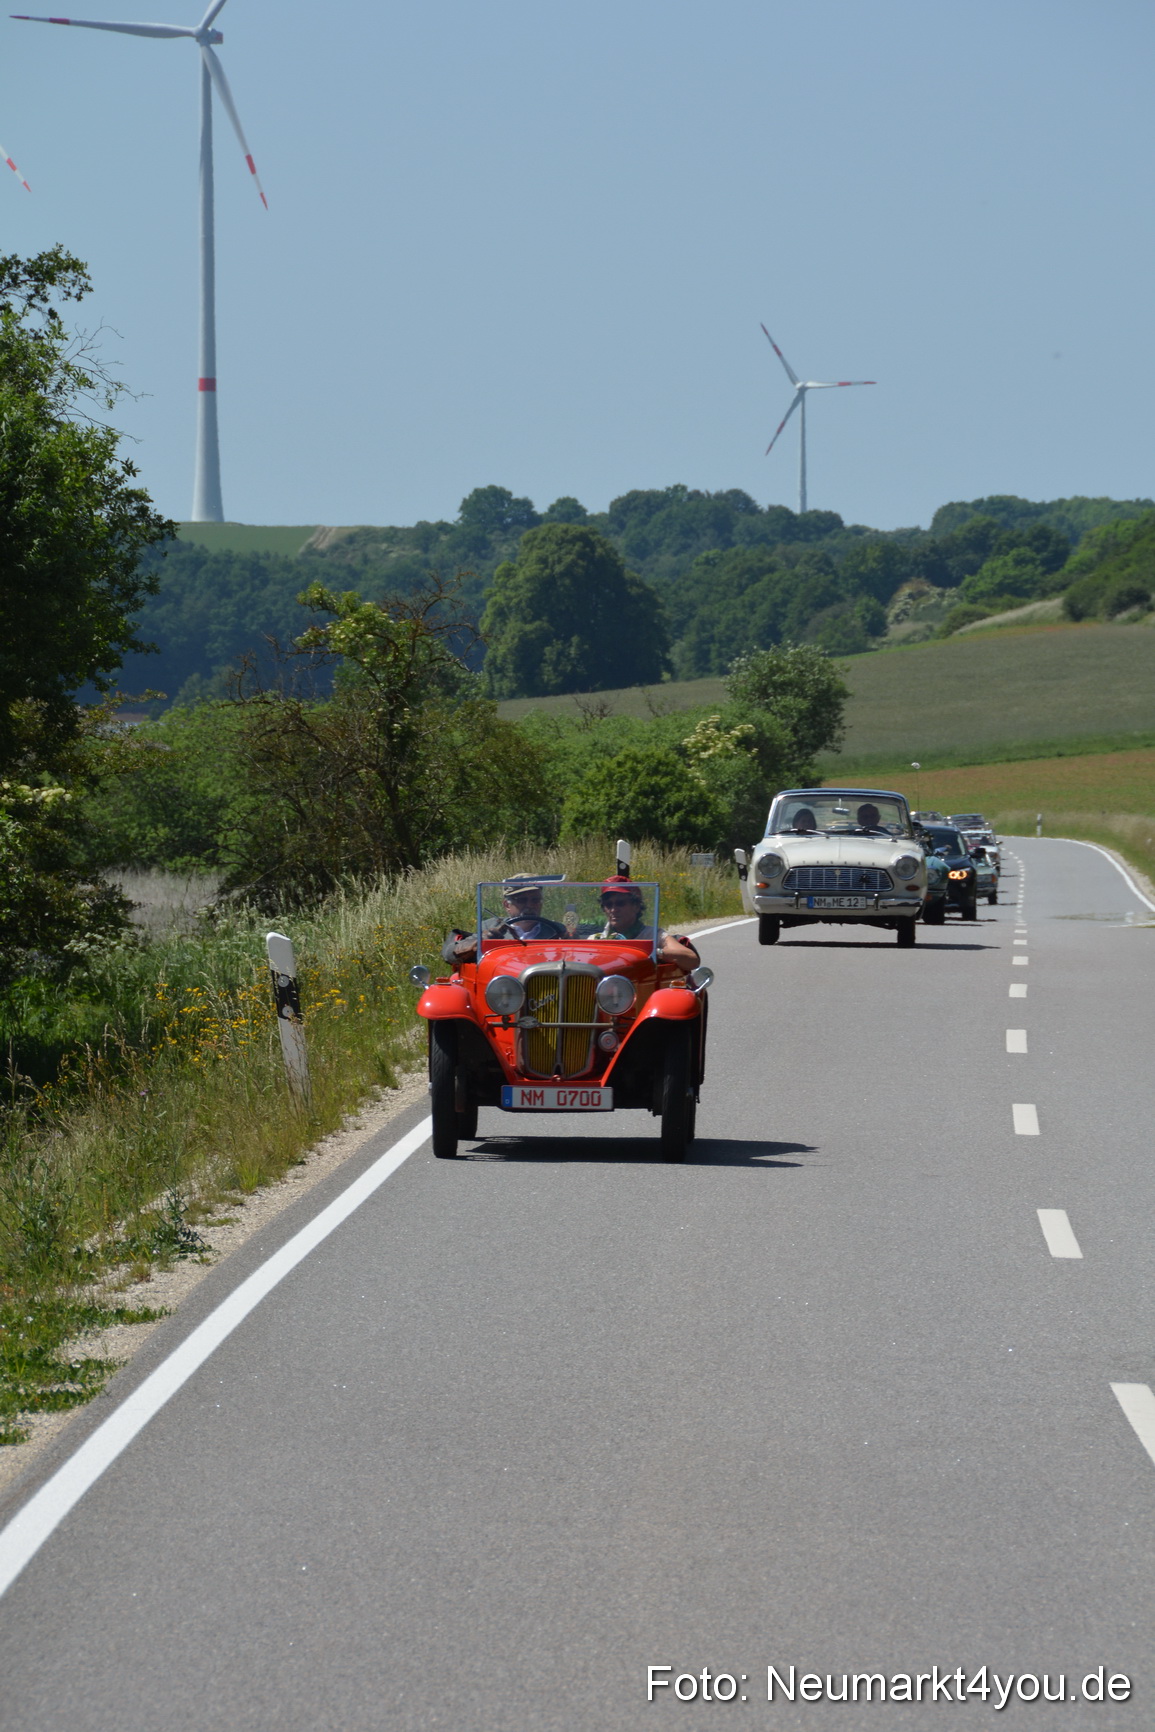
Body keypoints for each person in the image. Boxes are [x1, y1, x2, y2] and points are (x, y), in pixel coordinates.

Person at [442, 877, 567, 964]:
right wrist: (478, 943)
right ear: (507, 905)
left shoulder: (557, 930)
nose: (530, 905)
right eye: (522, 900)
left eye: (535, 900)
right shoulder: (490, 926)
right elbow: (448, 955)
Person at [595, 878, 700, 973]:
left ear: (636, 906)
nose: (613, 910)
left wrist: (655, 952)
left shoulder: (653, 935)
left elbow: (692, 959)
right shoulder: (597, 939)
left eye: (620, 903)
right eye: (608, 905)